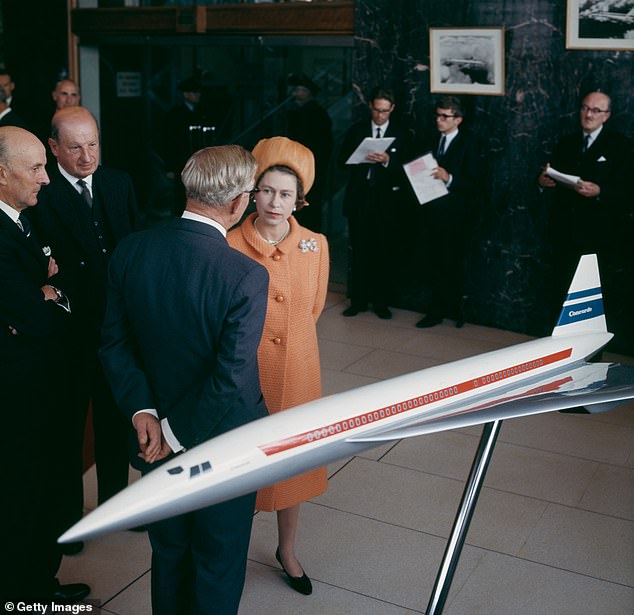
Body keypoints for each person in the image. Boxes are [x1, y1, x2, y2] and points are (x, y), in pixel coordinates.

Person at [99, 145, 269, 615]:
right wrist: (174, 434)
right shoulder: (245, 275)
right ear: (238, 202)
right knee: (217, 561)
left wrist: (145, 415)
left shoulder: (132, 250)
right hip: (223, 443)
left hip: (149, 436)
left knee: (170, 552)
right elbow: (232, 376)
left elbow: (115, 344)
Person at [28, 106, 140, 552]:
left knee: (117, 421)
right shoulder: (41, 193)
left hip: (115, 329)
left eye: (93, 144)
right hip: (69, 333)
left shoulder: (119, 182)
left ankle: (117, 504)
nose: (87, 156)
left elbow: (132, 246)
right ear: (53, 147)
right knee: (69, 430)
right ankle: (69, 521)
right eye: (75, 147)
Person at [228, 137, 329, 596]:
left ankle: (287, 550)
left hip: (297, 373)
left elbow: (314, 308)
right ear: (252, 192)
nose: (275, 202)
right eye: (266, 190)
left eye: (286, 194)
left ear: (299, 200)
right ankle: (227, 550)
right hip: (241, 377)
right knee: (239, 468)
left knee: (293, 466)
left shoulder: (315, 245)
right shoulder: (229, 242)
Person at [0, 125, 90, 603]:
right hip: (18, 397)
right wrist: (47, 294)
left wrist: (49, 292)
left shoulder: (21, 218)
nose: (46, 178)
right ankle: (24, 596)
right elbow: (38, 315)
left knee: (42, 494)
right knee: (21, 499)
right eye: (35, 168)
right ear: (1, 174)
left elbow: (55, 287)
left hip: (43, 382)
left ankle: (42, 584)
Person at [537, 90, 631, 316]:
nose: (589, 115)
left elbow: (628, 188)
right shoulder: (567, 142)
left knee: (592, 296)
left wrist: (601, 191)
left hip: (600, 233)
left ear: (606, 116)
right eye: (585, 108)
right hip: (564, 230)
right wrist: (542, 181)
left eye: (596, 110)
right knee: (561, 286)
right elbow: (552, 174)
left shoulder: (621, 146)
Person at [339, 86, 413, 320]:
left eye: (385, 111)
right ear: (370, 106)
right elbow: (341, 161)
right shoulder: (357, 130)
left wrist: (388, 161)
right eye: (376, 110)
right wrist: (359, 158)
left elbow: (409, 168)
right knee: (359, 252)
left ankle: (381, 302)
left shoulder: (402, 134)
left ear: (392, 109)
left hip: (386, 203)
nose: (380, 116)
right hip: (360, 200)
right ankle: (357, 301)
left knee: (383, 254)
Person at [415, 95, 481, 329]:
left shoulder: (470, 143)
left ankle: (453, 309)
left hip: (456, 217)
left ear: (458, 120)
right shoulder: (430, 139)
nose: (439, 121)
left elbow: (476, 183)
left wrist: (449, 178)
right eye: (438, 115)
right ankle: (435, 309)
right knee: (433, 262)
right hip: (430, 212)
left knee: (453, 264)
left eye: (445, 117)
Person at [286, 73, 333, 233]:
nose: (295, 93)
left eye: (300, 90)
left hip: (308, 166)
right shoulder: (306, 112)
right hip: (306, 165)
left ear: (308, 92)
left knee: (308, 204)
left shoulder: (312, 114)